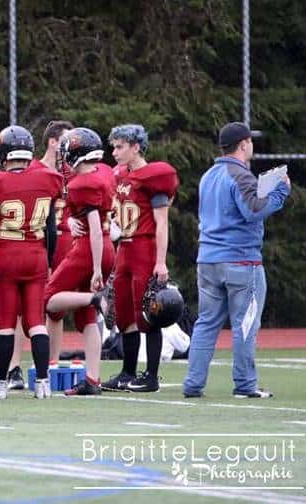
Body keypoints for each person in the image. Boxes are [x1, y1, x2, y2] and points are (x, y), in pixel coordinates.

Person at [182, 122, 290, 399]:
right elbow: (253, 210)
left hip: (207, 259)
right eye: (250, 141)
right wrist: (280, 191)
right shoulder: (240, 174)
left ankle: (193, 384)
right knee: (245, 324)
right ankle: (245, 385)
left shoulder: (209, 175)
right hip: (241, 261)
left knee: (206, 323)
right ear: (243, 144)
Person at [0, 125, 64, 400]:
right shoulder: (48, 180)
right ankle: (43, 383)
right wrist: (46, 260)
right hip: (36, 255)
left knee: (5, 323)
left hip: (7, 257)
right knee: (36, 322)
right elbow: (51, 231)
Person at [101, 124, 179, 393]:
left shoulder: (154, 177)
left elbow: (162, 223)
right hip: (124, 250)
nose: (115, 152)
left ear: (136, 147)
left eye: (120, 146)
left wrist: (160, 261)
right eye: (113, 146)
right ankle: (127, 372)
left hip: (144, 250)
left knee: (148, 314)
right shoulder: (120, 175)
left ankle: (152, 376)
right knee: (123, 314)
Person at [44, 127, 116, 395]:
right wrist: (73, 218)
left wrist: (97, 268)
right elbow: (95, 218)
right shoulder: (104, 172)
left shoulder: (81, 184)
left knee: (49, 298)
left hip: (90, 248)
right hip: (107, 246)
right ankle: (93, 379)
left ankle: (94, 299)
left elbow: (94, 227)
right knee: (86, 318)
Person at [4, 120, 75, 390]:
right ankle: (13, 369)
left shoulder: (73, 172)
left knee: (54, 308)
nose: (72, 147)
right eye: (66, 140)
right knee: (20, 309)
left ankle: (50, 368)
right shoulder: (30, 169)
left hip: (62, 244)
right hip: (31, 245)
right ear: (53, 142)